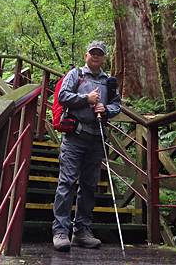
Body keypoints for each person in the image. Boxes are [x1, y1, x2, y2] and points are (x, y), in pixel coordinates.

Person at [52, 40, 121, 252]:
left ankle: (82, 231)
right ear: (86, 55)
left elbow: (117, 104)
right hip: (75, 137)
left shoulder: (108, 81)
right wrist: (87, 98)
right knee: (67, 182)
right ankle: (60, 231)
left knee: (89, 186)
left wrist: (106, 109)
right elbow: (63, 97)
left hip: (96, 139)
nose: (96, 56)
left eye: (99, 54)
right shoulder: (76, 75)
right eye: (93, 53)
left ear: (104, 57)